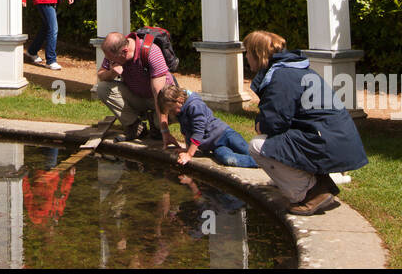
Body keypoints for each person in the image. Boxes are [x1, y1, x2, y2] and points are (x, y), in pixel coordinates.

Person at [243, 29, 368, 215]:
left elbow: (273, 123)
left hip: (326, 141)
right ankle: (319, 183)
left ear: (257, 53)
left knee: (258, 145)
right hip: (333, 138)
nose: (245, 56)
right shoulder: (293, 69)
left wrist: (260, 124)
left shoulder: (281, 76)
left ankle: (310, 193)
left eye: (247, 51)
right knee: (272, 139)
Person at [94, 31, 181, 146]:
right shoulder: (114, 52)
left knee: (177, 109)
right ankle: (136, 127)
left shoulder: (151, 52)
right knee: (102, 88)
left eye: (112, 59)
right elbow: (100, 75)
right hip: (136, 96)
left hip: (160, 99)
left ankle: (156, 127)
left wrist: (164, 131)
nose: (110, 61)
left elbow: (158, 95)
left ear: (124, 52)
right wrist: (111, 73)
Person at [157, 84, 258, 168]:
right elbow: (186, 131)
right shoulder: (180, 111)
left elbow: (198, 132)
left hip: (225, 134)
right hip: (216, 146)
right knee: (228, 159)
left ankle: (263, 162)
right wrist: (187, 148)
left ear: (179, 100)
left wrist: (189, 154)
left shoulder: (195, 105)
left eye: (171, 110)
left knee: (250, 152)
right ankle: (257, 162)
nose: (172, 113)